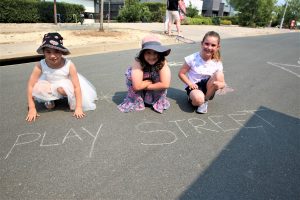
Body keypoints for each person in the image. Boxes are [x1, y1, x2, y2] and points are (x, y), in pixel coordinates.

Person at [26, 32, 98, 122]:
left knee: (63, 91)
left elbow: (76, 87)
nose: (53, 56)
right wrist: (32, 108)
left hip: (65, 84)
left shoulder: (69, 65)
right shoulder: (40, 65)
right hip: (49, 83)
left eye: (56, 51)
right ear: (43, 52)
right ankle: (50, 99)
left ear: (62, 52)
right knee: (40, 90)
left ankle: (67, 98)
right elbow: (31, 85)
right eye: (48, 52)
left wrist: (78, 107)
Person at [118, 35, 171, 113]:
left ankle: (154, 99)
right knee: (131, 75)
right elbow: (136, 86)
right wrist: (147, 82)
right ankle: (140, 99)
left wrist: (146, 85)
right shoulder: (138, 62)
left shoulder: (162, 61)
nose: (152, 56)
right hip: (140, 89)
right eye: (148, 53)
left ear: (160, 53)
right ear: (143, 54)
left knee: (158, 76)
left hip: (149, 87)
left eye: (155, 53)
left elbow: (165, 84)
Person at [178, 31, 225, 114]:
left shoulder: (217, 62)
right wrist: (190, 84)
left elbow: (222, 82)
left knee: (219, 74)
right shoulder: (192, 58)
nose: (209, 47)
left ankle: (205, 100)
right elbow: (181, 74)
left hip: (208, 87)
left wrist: (220, 85)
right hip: (194, 87)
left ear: (218, 47)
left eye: (213, 45)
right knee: (198, 100)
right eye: (206, 44)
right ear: (202, 44)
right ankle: (194, 99)